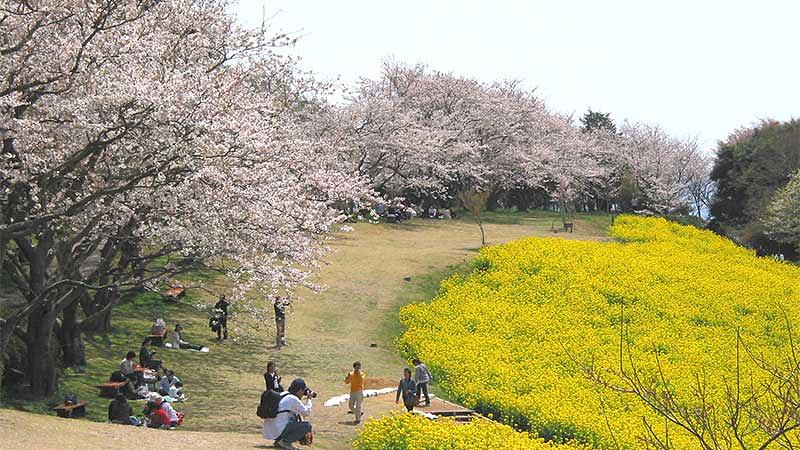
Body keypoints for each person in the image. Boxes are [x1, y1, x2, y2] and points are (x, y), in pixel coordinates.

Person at [262, 378, 313, 450]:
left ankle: (279, 441)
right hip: (277, 431)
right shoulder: (293, 399)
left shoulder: (284, 394)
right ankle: (285, 442)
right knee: (307, 426)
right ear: (299, 390)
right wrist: (309, 399)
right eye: (303, 391)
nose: (303, 394)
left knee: (294, 417)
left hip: (270, 430)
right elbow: (306, 412)